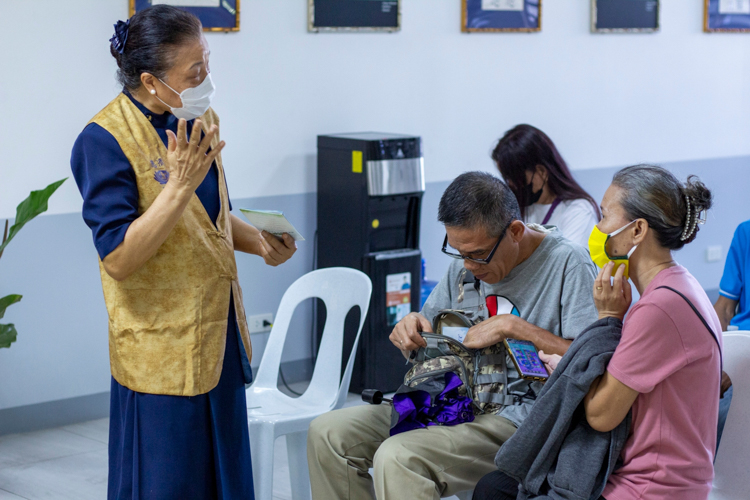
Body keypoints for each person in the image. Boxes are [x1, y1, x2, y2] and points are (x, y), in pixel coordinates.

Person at [70, 6, 296, 499]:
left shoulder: (195, 116)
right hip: (161, 350)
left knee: (227, 482)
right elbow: (120, 260)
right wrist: (177, 187)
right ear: (151, 80)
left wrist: (259, 242)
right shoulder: (103, 141)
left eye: (207, 65)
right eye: (194, 73)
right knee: (168, 483)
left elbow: (210, 217)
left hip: (218, 337)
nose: (206, 81)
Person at [306, 171, 598, 500]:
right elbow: (432, 334)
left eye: (477, 254)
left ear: (515, 231)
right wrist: (412, 328)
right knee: (328, 432)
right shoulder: (465, 263)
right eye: (458, 251)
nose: (469, 265)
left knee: (400, 457)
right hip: (452, 399)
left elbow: (591, 360)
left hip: (521, 419)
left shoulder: (568, 264)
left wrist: (514, 327)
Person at [477, 165, 721, 500]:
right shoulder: (679, 286)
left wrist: (604, 321)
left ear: (637, 230)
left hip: (650, 487)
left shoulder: (659, 309)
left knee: (496, 492)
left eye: (605, 216)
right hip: (655, 476)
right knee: (495, 487)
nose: (598, 229)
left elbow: (600, 415)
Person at [492, 124, 599, 248]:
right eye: (507, 177)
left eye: (515, 177)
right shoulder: (520, 210)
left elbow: (568, 263)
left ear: (541, 172)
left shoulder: (578, 211)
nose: (511, 184)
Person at [712, 218, 749, 446]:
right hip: (741, 350)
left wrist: (740, 364)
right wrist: (715, 362)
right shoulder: (745, 232)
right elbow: (724, 308)